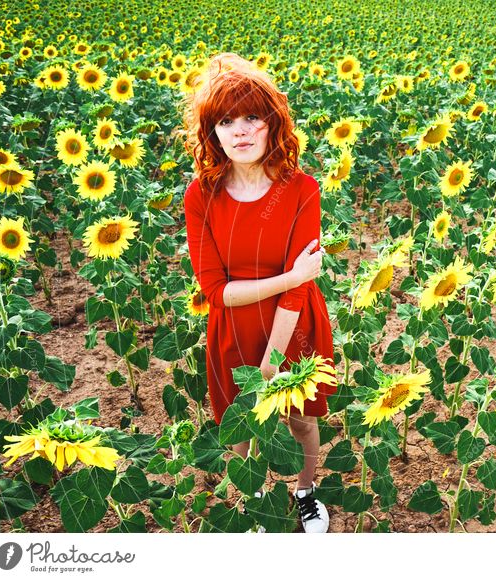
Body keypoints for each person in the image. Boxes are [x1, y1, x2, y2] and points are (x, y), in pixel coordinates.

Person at [181, 52, 336, 533]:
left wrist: (271, 363)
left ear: (272, 124)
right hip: (233, 329)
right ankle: (253, 495)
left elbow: (296, 297)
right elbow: (215, 292)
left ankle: (305, 490)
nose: (241, 131)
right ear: (213, 133)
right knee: (240, 428)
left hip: (294, 330)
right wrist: (291, 276)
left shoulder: (301, 189)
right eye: (226, 120)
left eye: (252, 117)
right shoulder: (199, 195)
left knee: (300, 420)